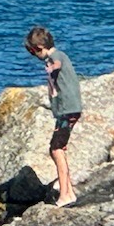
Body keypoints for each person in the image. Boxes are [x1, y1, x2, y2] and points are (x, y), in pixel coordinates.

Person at [25, 25, 83, 206]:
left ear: (39, 48)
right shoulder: (55, 57)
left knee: (57, 149)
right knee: (56, 148)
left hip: (68, 110)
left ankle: (65, 194)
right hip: (66, 110)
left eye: (32, 52)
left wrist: (52, 68)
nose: (33, 56)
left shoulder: (56, 56)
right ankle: (69, 191)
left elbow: (57, 63)